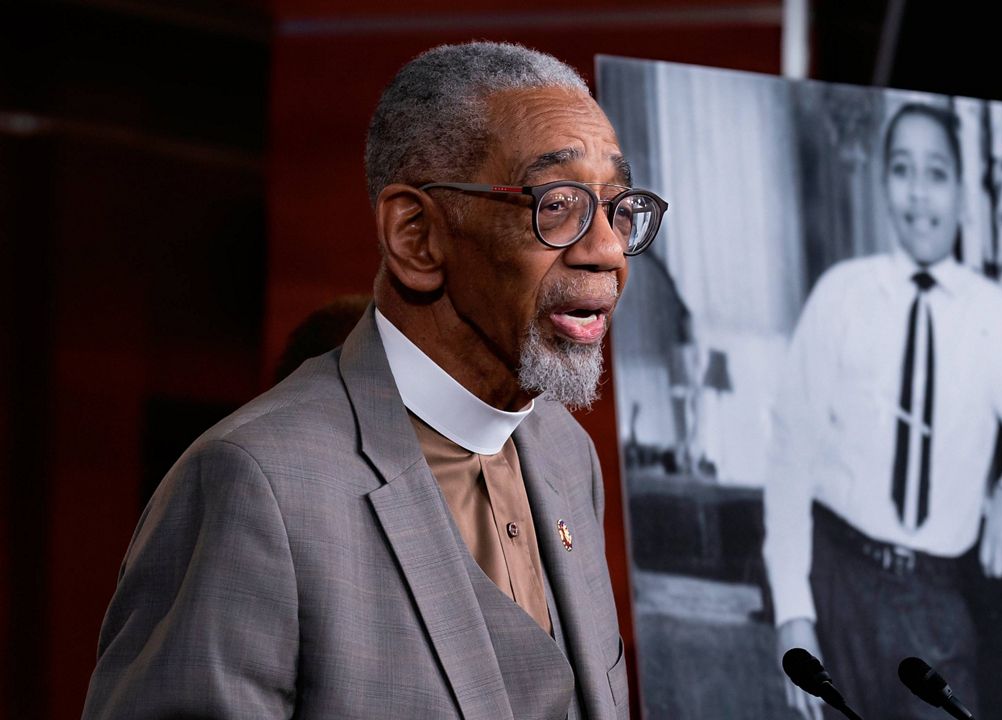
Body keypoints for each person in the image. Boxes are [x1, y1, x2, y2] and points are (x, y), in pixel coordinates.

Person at [82, 41, 667, 719]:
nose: (606, 251)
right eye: (559, 203)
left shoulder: (568, 454)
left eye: (618, 207)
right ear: (416, 236)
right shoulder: (255, 482)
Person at [763, 103, 1002, 720]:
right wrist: (793, 614)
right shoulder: (842, 296)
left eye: (936, 173)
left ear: (962, 190)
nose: (919, 193)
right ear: (884, 184)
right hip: (837, 584)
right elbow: (788, 456)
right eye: (903, 170)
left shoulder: (994, 316)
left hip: (937, 600)